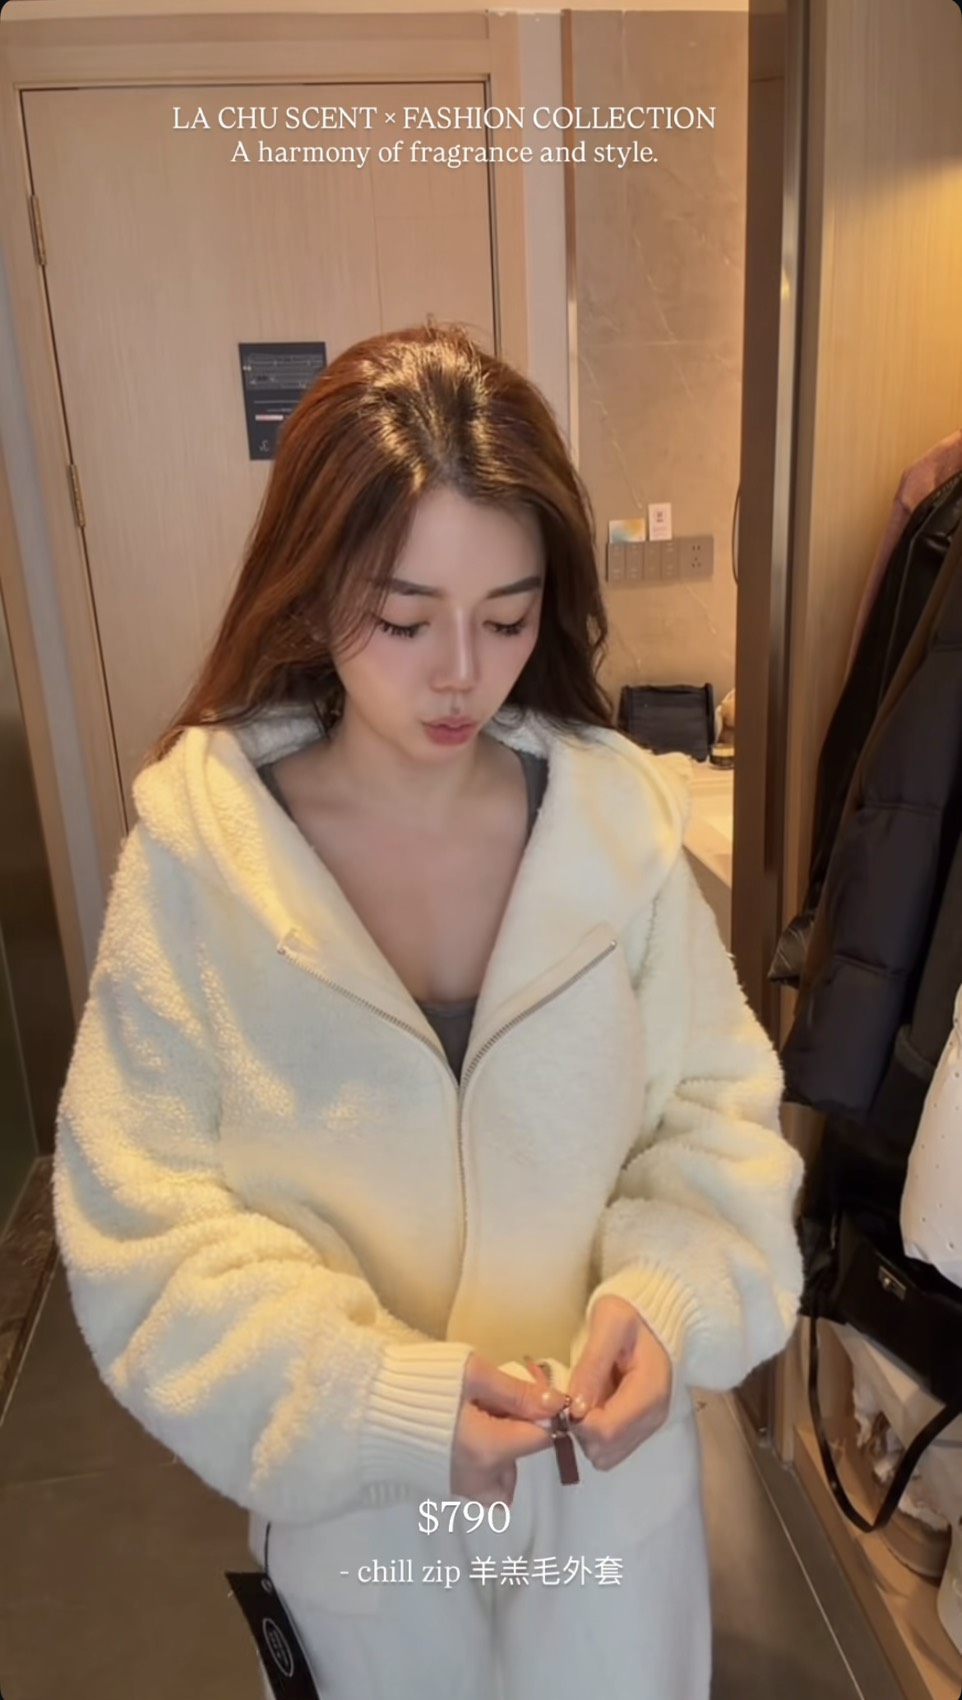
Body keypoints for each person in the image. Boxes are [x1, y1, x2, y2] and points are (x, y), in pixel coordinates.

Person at [53, 320, 805, 1700]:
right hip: (364, 1543)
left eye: (507, 617)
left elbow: (717, 1123)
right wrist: (376, 1403)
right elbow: (140, 1230)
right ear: (311, 585)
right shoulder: (205, 860)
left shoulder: (614, 832)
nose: (460, 672)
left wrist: (670, 1300)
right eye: (403, 620)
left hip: (607, 1521)